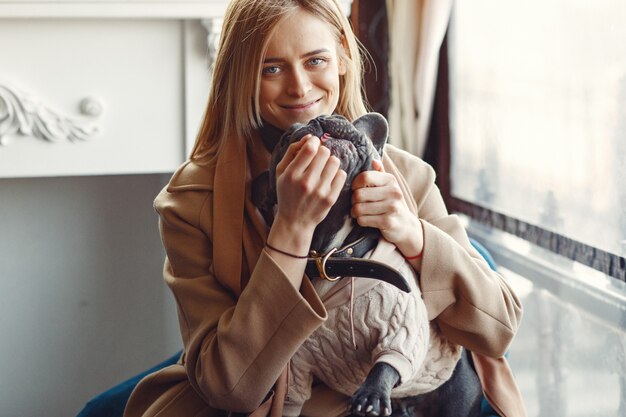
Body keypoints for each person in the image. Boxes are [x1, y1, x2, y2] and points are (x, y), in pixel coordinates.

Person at [124, 0, 525, 416]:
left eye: (315, 60)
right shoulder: (192, 201)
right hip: (276, 393)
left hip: (390, 385)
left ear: (343, 60)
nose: (299, 87)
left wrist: (412, 232)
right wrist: (291, 229)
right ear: (240, 78)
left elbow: (498, 331)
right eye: (271, 68)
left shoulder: (406, 175)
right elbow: (230, 387)